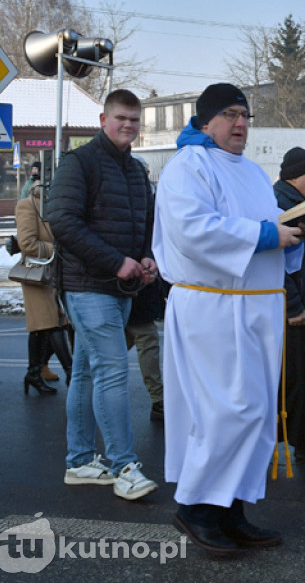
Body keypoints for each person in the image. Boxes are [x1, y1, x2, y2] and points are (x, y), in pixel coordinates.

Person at [153, 83, 303, 557]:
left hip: (256, 304)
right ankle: (197, 508)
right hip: (213, 306)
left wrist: (294, 231)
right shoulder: (187, 168)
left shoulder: (253, 172)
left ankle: (233, 508)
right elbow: (194, 231)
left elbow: (267, 225)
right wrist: (264, 235)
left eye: (245, 115)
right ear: (205, 121)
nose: (240, 123)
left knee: (255, 411)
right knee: (223, 409)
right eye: (231, 114)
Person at [47, 89, 158, 502]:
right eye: (120, 118)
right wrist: (116, 262)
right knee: (112, 372)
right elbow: (60, 220)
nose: (128, 125)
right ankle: (122, 465)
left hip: (119, 287)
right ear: (102, 119)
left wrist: (146, 257)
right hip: (86, 286)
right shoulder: (79, 163)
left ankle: (79, 462)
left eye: (134, 119)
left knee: (87, 372)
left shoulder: (134, 170)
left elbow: (146, 220)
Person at [273, 146, 305, 464]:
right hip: (296, 307)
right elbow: (278, 264)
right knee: (296, 378)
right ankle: (301, 440)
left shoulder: (303, 205)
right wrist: (292, 307)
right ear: (296, 177)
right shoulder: (280, 205)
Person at [16, 180, 72, 394]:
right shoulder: (28, 205)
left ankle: (33, 373)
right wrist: (59, 250)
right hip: (37, 275)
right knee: (53, 323)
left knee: (43, 328)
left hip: (55, 274)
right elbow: (27, 243)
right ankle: (71, 371)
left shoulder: (59, 205)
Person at [125, 155, 165, 422]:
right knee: (145, 341)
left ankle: (87, 388)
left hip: (140, 284)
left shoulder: (148, 199)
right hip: (129, 282)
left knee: (131, 341)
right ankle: (159, 400)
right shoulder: (140, 201)